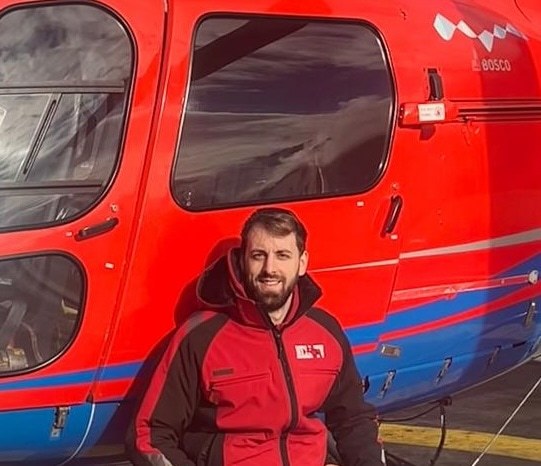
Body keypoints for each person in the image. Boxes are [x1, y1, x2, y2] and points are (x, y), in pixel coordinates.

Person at [126, 207, 384, 466]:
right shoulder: (201, 337)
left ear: (302, 263)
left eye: (282, 255)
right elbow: (149, 435)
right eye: (258, 256)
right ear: (242, 260)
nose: (269, 269)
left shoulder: (325, 331)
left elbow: (353, 419)